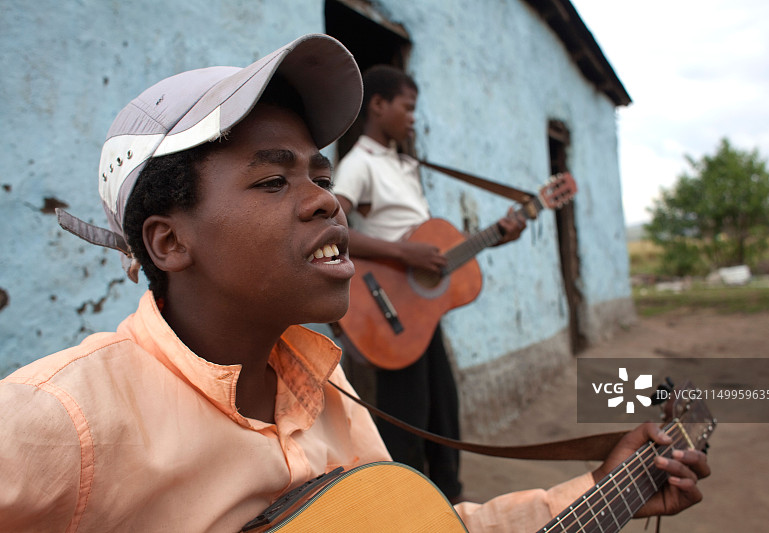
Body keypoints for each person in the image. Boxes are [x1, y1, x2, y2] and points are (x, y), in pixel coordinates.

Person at [0, 35, 709, 532]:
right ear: (169, 240)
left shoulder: (332, 397)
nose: (326, 201)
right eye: (275, 179)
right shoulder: (61, 423)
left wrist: (600, 491)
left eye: (322, 176)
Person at [332, 65, 528, 502]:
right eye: (408, 107)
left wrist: (496, 236)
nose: (414, 118)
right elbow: (334, 228)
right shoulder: (359, 164)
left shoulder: (404, 165)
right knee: (408, 418)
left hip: (419, 309)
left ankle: (450, 505)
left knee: (444, 413)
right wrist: (404, 253)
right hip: (388, 309)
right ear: (378, 106)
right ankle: (408, 510)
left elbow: (432, 252)